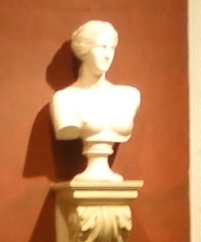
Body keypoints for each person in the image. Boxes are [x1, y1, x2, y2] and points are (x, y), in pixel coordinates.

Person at [50, 20, 142, 181]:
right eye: (102, 47)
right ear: (84, 49)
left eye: (112, 48)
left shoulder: (128, 96)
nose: (108, 55)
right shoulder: (65, 99)